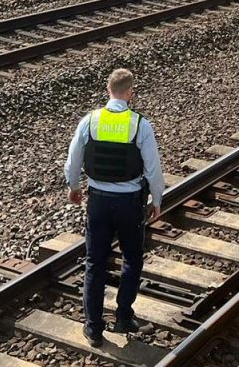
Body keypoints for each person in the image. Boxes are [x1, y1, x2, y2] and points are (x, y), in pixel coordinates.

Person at [64, 68, 165, 347]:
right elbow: (153, 169)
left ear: (108, 90)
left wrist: (73, 187)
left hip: (97, 201)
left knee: (95, 262)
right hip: (129, 203)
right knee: (132, 258)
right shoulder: (139, 125)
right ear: (130, 92)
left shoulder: (90, 121)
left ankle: (94, 328)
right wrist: (157, 199)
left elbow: (73, 160)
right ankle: (123, 317)